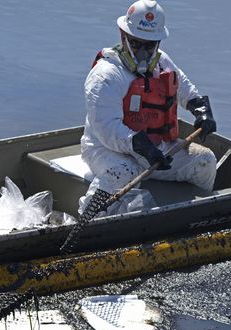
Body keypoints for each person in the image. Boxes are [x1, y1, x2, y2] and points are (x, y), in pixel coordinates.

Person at [79, 0, 218, 217]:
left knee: (205, 161)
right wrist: (141, 146)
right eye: (136, 44)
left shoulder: (163, 63)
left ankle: (194, 216)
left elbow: (186, 89)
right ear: (123, 36)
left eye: (149, 45)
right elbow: (107, 129)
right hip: (106, 150)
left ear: (158, 43)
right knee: (124, 171)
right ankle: (90, 218)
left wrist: (201, 109)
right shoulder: (105, 75)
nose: (142, 51)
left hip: (157, 151)